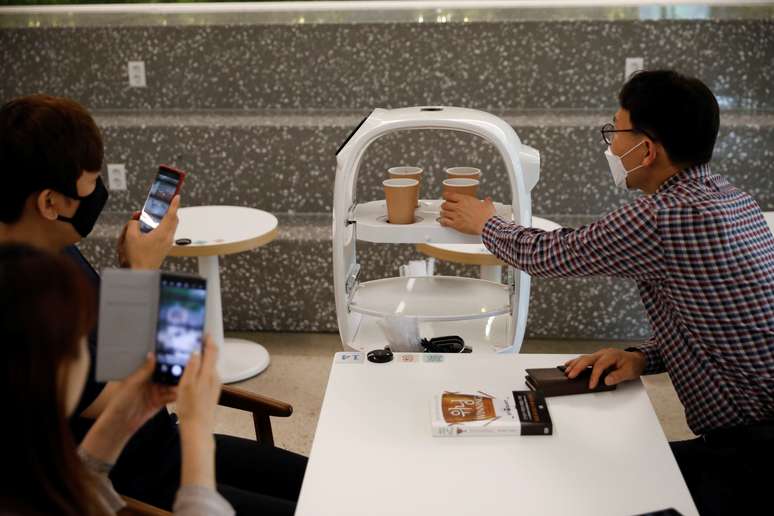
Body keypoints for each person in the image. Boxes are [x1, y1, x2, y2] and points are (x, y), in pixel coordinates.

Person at [440, 70, 773, 515]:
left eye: (615, 132)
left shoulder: (662, 217)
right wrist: (642, 355)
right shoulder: (734, 200)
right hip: (757, 424)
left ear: (646, 149)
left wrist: (484, 221)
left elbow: (552, 254)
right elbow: (723, 323)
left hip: (753, 448)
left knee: (592, 489)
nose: (611, 146)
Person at [0, 94, 307, 514]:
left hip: (161, 445)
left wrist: (131, 272)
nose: (98, 194)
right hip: (134, 484)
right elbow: (118, 391)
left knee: (326, 481)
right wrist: (141, 274)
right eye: (90, 185)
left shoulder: (54, 248)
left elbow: (121, 364)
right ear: (50, 203)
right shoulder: (22, 306)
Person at [0, 244, 233, 515]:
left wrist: (126, 413)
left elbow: (78, 493)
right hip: (148, 474)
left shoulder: (30, 472)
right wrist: (197, 429)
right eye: (82, 343)